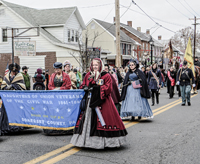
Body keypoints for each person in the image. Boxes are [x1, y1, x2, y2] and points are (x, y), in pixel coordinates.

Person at [70, 58, 127, 149]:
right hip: (90, 101)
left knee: (103, 121)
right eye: (93, 65)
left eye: (96, 65)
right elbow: (83, 84)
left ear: (100, 66)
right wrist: (84, 87)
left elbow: (108, 88)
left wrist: (97, 89)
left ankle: (104, 142)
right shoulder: (88, 75)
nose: (94, 67)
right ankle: (85, 141)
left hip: (103, 102)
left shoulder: (105, 75)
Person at [44, 62, 71, 135]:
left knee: (62, 110)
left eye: (58, 69)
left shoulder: (66, 76)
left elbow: (68, 86)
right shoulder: (53, 75)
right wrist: (54, 89)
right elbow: (49, 85)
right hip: (54, 97)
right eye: (55, 69)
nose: (56, 71)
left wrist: (60, 89)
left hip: (63, 97)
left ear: (61, 69)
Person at [1, 63, 26, 134]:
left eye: (15, 71)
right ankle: (5, 127)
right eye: (12, 71)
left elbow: (22, 87)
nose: (14, 73)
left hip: (15, 98)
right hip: (7, 98)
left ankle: (15, 128)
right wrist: (7, 87)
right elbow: (3, 85)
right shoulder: (7, 76)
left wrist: (13, 86)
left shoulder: (20, 76)